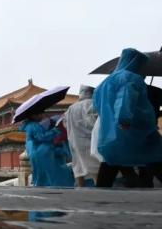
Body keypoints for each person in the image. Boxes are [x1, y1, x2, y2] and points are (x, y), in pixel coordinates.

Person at [93, 48, 162, 187]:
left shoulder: (105, 82)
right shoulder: (130, 78)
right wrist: (124, 118)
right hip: (135, 127)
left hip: (111, 130)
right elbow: (125, 98)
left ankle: (101, 187)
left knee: (112, 158)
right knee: (155, 154)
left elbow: (97, 105)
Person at [20, 113, 75, 187]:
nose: (42, 115)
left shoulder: (30, 126)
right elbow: (42, 137)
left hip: (34, 152)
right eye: (40, 114)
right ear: (34, 115)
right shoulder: (34, 125)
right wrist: (55, 131)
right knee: (50, 174)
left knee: (40, 173)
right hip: (40, 153)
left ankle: (40, 185)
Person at [64, 85, 101, 187]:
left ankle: (79, 188)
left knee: (78, 166)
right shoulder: (92, 104)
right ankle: (99, 187)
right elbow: (94, 122)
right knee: (95, 167)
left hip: (75, 141)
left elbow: (65, 124)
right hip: (89, 139)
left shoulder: (71, 107)